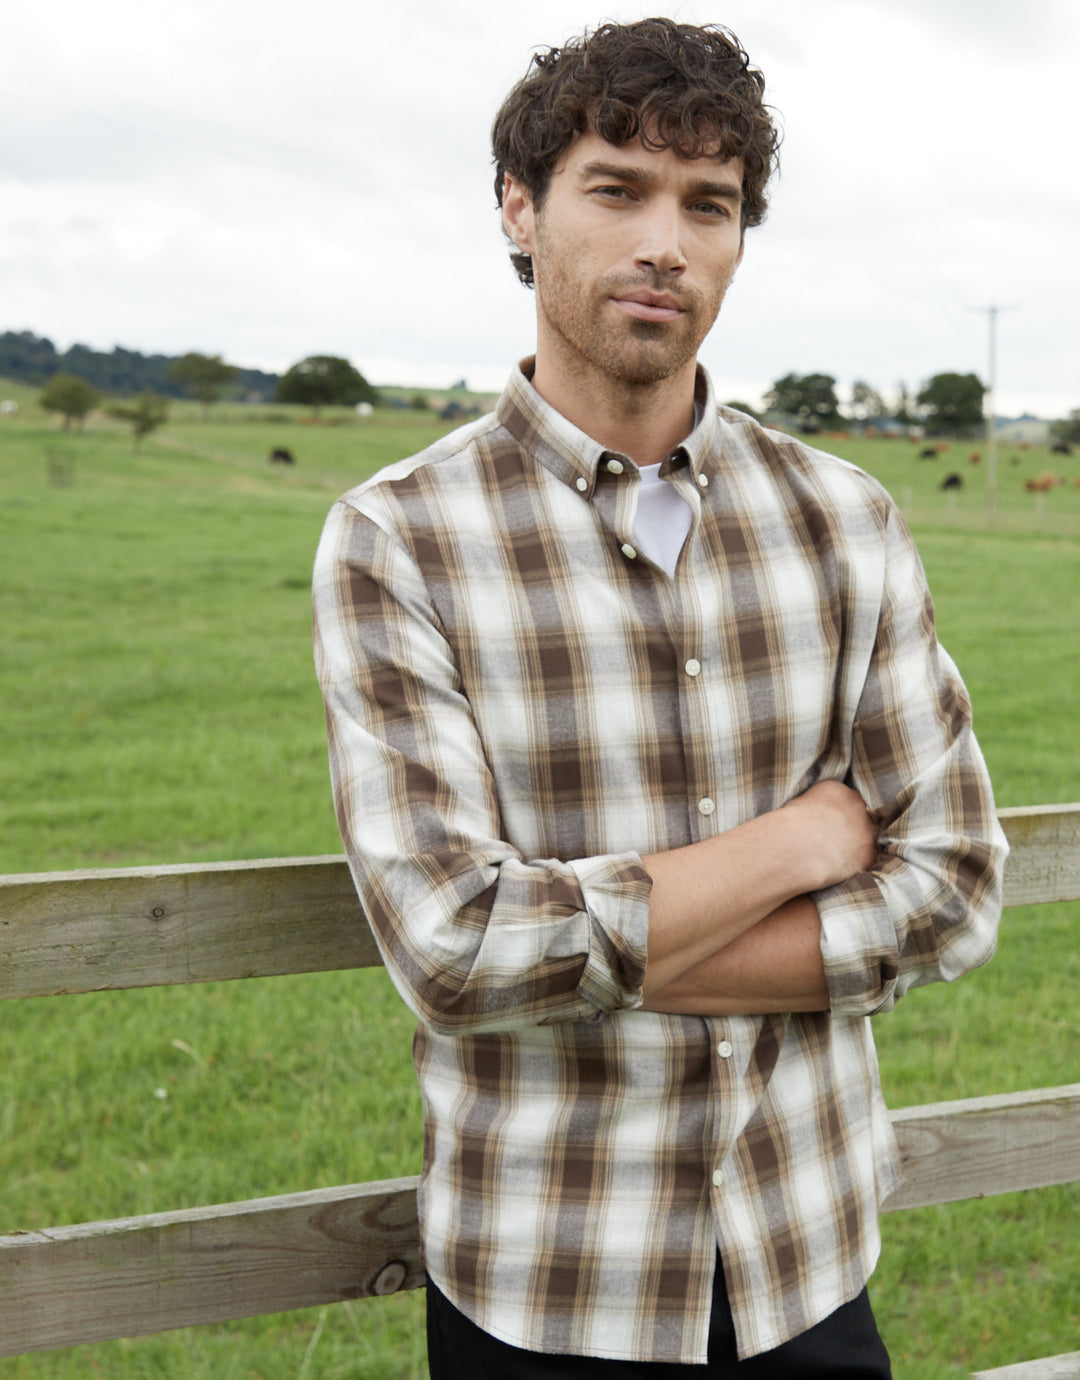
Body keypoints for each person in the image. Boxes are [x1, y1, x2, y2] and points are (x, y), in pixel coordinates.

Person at [313, 17, 1007, 1376]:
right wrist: (798, 847)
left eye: (712, 205)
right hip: (549, 1283)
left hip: (807, 1259)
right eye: (617, 188)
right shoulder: (403, 536)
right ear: (520, 208)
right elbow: (456, 950)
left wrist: (590, 955)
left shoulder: (842, 519)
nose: (667, 244)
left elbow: (959, 887)